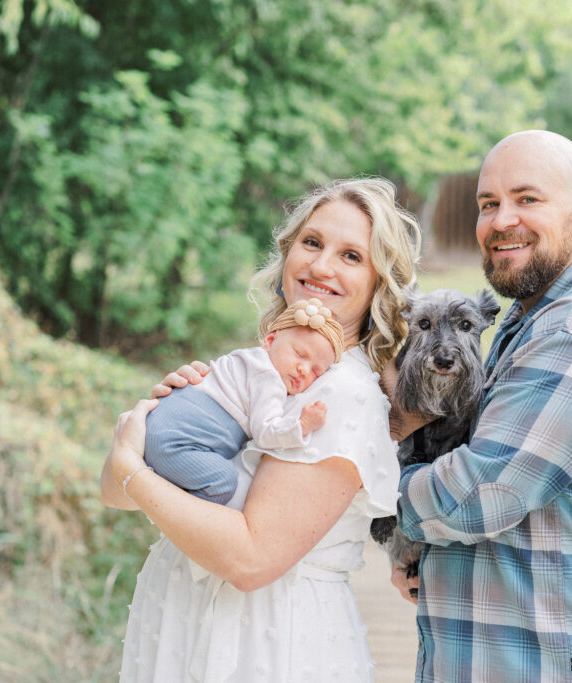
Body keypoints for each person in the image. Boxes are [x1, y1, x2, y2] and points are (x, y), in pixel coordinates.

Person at [100, 177, 421, 682]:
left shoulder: (341, 394)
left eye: (352, 256)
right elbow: (114, 493)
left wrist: (132, 471)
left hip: (264, 641)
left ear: (380, 284)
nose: (320, 266)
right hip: (181, 620)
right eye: (312, 243)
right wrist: (160, 436)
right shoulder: (258, 371)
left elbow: (250, 560)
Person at [388, 130, 572, 681]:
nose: (501, 221)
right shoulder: (535, 317)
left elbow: (477, 497)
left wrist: (368, 491)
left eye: (527, 199)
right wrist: (420, 547)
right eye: (488, 204)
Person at [143, 298, 343, 504]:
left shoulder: (249, 359)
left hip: (162, 423)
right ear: (270, 341)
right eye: (299, 354)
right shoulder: (268, 376)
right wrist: (302, 425)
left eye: (316, 372)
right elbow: (266, 433)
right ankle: (177, 513)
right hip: (177, 439)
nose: (304, 369)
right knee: (222, 483)